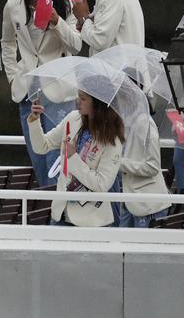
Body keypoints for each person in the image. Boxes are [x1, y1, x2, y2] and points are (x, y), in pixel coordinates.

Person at [0, 0, 82, 186]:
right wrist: (12, 76)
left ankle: (54, 213)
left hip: (58, 90)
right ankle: (47, 209)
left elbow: (76, 45)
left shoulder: (64, 4)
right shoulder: (13, 5)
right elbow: (7, 42)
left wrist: (57, 21)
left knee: (56, 158)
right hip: (28, 89)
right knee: (37, 155)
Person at [28, 91, 124, 227]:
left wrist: (73, 157)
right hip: (60, 212)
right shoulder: (72, 119)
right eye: (78, 96)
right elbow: (42, 146)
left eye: (83, 98)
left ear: (98, 104)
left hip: (91, 222)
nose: (78, 101)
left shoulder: (112, 139)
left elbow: (101, 184)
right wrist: (34, 120)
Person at [117, 114, 171, 227]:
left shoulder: (145, 123)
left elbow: (153, 166)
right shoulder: (127, 123)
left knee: (142, 244)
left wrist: (120, 163)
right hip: (131, 201)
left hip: (147, 205)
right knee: (119, 242)